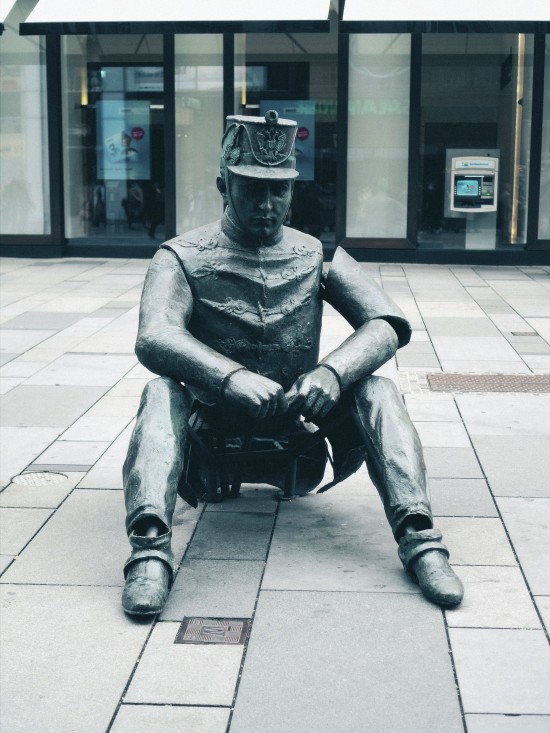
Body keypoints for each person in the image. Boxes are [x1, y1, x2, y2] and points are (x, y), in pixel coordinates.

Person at [122, 110, 464, 617]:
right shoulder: (181, 256)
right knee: (158, 393)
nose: (266, 204)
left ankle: (420, 536)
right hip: (212, 418)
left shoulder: (311, 253)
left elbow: (387, 323)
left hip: (299, 418)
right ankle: (149, 549)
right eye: (251, 189)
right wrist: (227, 377)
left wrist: (333, 371)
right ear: (223, 185)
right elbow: (154, 336)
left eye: (278, 191)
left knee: (380, 391)